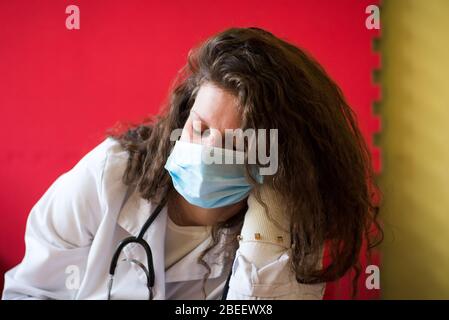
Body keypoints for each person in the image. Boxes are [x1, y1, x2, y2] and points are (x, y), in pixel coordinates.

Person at [2, 27, 381, 300]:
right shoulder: (111, 174)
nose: (205, 151)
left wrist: (272, 221)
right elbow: (29, 291)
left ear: (276, 161)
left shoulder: (288, 226)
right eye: (199, 127)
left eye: (233, 143)